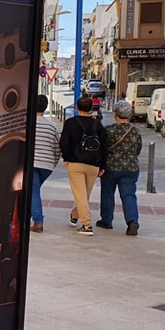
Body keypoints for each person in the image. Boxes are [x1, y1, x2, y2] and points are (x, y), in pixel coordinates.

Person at [59, 95, 108, 236]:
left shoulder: (71, 123)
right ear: (91, 109)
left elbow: (64, 143)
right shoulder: (97, 125)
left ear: (77, 107)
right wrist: (102, 165)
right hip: (93, 165)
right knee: (84, 196)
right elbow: (104, 146)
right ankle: (75, 216)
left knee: (80, 196)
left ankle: (87, 225)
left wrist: (66, 158)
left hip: (75, 163)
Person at [97, 100, 142, 236]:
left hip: (111, 167)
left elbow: (103, 149)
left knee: (108, 193)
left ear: (115, 114)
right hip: (131, 168)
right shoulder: (135, 131)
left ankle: (107, 220)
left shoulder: (109, 130)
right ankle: (132, 221)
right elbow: (137, 149)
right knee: (129, 195)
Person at [30, 94, 61, 232]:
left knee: (33, 191)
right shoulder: (52, 126)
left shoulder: (28, 123)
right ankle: (29, 215)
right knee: (33, 191)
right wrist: (53, 163)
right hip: (47, 165)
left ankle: (38, 221)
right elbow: (57, 148)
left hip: (33, 163)